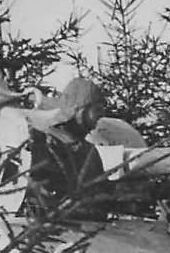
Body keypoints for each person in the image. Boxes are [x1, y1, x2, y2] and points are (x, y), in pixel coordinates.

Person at [23, 77, 113, 221]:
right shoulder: (45, 143)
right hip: (51, 231)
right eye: (96, 109)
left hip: (90, 230)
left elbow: (100, 191)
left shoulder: (89, 151)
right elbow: (37, 189)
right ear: (79, 109)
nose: (100, 115)